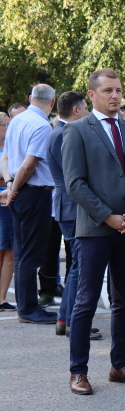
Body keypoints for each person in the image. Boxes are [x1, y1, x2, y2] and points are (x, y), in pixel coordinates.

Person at [62, 68, 125, 395]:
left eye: (118, 90)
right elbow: (75, 184)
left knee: (123, 299)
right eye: (108, 91)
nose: (116, 96)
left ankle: (119, 365)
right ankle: (78, 371)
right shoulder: (77, 131)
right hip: (94, 230)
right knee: (86, 301)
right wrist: (109, 218)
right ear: (92, 95)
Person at [45, 91, 102, 340]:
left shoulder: (59, 131)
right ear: (76, 110)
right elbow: (73, 176)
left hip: (67, 205)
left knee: (76, 265)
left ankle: (65, 319)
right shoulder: (65, 133)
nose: (88, 112)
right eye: (86, 108)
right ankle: (70, 320)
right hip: (71, 206)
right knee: (80, 265)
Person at [0, 84, 58, 325]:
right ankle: (28, 309)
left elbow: (6, 156)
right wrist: (14, 188)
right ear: (52, 103)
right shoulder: (41, 125)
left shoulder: (17, 120)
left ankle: (26, 307)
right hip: (34, 193)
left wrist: (10, 184)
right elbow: (29, 164)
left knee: (23, 251)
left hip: (22, 190)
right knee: (30, 254)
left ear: (30, 98)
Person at [0, 112, 15, 311]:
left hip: (10, 201)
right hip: (3, 202)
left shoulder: (10, 147)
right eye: (6, 124)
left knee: (10, 252)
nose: (9, 128)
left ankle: (2, 297)